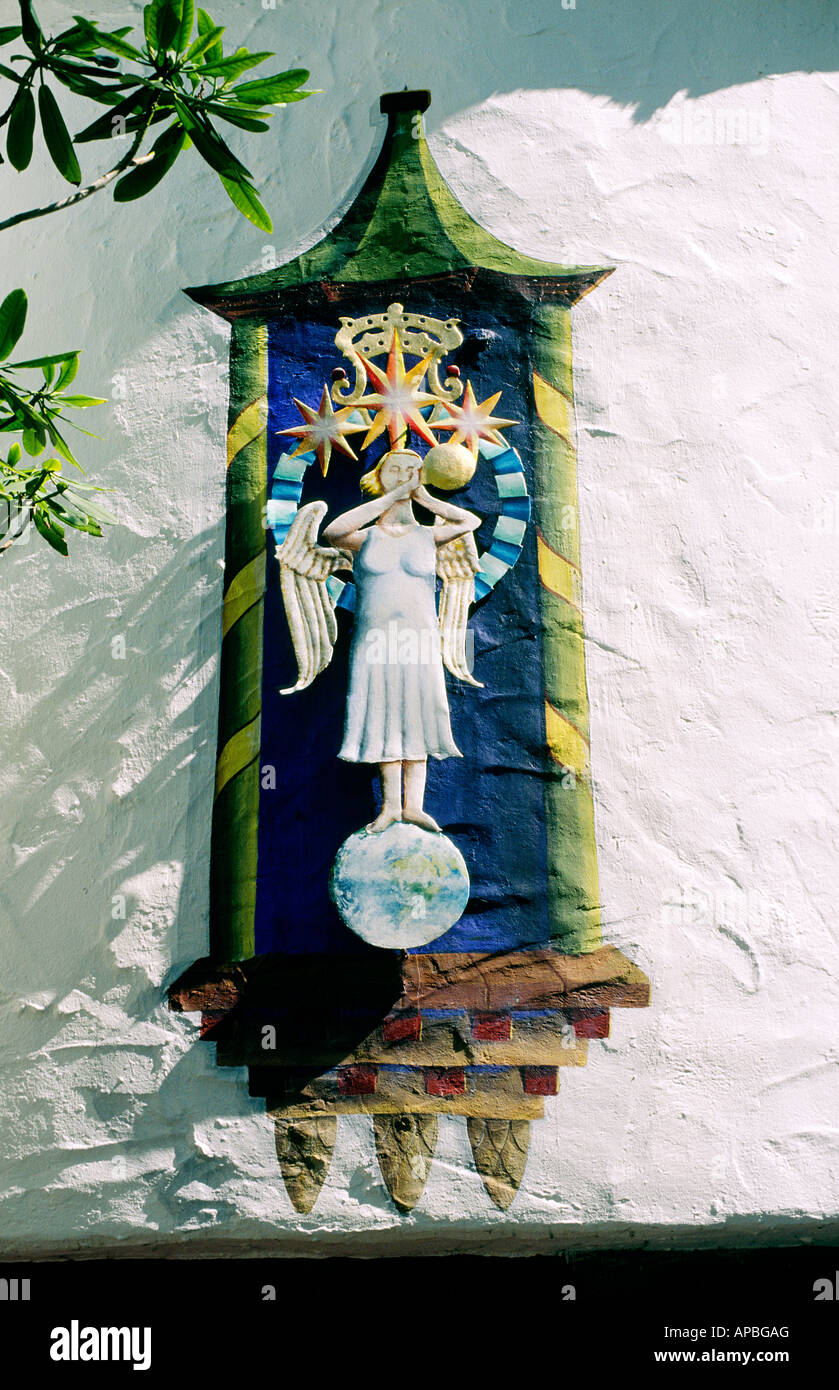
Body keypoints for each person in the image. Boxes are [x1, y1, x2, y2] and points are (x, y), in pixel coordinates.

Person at [322, 448, 480, 833]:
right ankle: (391, 806)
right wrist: (390, 497)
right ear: (380, 475)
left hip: (419, 638)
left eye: (413, 469)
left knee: (419, 713)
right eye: (396, 469)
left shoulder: (429, 535)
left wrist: (425, 498)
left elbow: (469, 520)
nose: (405, 474)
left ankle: (414, 806)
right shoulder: (366, 537)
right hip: (376, 639)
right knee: (383, 713)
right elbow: (332, 532)